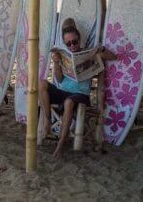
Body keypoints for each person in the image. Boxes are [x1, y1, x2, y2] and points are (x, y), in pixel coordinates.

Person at [38, 18, 117, 157]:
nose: (72, 45)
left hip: (80, 95)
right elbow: (59, 79)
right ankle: (47, 121)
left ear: (79, 39)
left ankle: (61, 143)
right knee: (41, 83)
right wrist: (56, 63)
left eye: (74, 42)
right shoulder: (63, 55)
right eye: (68, 44)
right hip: (63, 91)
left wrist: (101, 49)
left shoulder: (89, 54)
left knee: (69, 102)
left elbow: (113, 57)